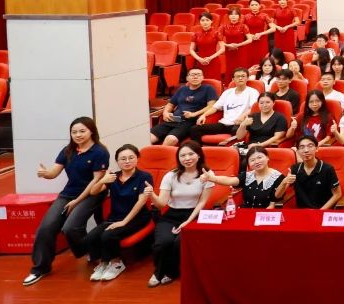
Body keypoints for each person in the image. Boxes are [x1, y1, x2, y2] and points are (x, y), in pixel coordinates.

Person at [23, 118, 110, 286]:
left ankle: (88, 249)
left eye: (82, 131)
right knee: (46, 228)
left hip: (92, 194)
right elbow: (54, 173)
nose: (78, 135)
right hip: (68, 194)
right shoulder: (68, 150)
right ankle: (40, 268)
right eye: (74, 132)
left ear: (91, 131)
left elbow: (95, 181)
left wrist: (76, 202)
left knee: (70, 228)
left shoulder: (100, 152)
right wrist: (45, 174)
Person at [81, 144, 153, 282]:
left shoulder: (144, 176)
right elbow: (93, 192)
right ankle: (104, 263)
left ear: (137, 158)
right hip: (115, 217)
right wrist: (102, 180)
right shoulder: (113, 177)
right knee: (91, 237)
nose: (127, 161)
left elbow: (141, 201)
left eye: (131, 158)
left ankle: (116, 263)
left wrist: (124, 222)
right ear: (117, 161)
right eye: (123, 159)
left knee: (108, 235)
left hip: (137, 217)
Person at [148, 141, 212, 287]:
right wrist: (152, 195)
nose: (187, 158)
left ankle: (172, 272)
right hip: (172, 215)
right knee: (163, 241)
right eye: (183, 155)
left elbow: (202, 202)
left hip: (194, 215)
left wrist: (188, 221)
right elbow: (161, 203)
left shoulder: (207, 175)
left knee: (179, 243)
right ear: (178, 158)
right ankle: (158, 272)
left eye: (191, 154)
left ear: (199, 155)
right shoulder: (171, 176)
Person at [150, 68, 220, 145]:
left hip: (189, 122)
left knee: (171, 139)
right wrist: (165, 113)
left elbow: (211, 106)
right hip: (173, 119)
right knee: (148, 137)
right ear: (187, 78)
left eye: (198, 75)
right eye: (192, 75)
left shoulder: (208, 89)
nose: (195, 77)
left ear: (203, 77)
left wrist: (194, 114)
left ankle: (160, 152)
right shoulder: (182, 89)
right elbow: (170, 104)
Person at [202, 145, 284, 209]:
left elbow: (273, 202)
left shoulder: (277, 177)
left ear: (267, 158)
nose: (257, 162)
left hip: (265, 216)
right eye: (252, 160)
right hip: (246, 213)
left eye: (259, 157)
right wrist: (212, 178)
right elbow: (230, 180)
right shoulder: (247, 176)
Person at [191, 67, 259, 143]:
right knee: (195, 129)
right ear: (233, 79)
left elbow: (253, 108)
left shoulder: (252, 92)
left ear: (247, 78)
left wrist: (242, 116)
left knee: (238, 132)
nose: (240, 78)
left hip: (239, 124)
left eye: (243, 76)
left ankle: (231, 146)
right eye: (237, 76)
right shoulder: (227, 92)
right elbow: (215, 107)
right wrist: (204, 115)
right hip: (224, 124)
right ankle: (198, 149)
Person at [275, 135, 341, 210]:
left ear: (317, 148)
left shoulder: (327, 169)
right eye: (302, 147)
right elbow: (277, 196)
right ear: (298, 151)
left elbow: (337, 194)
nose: (306, 150)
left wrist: (320, 212)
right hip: (302, 212)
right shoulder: (295, 169)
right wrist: (284, 182)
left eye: (310, 146)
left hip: (322, 211)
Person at [188, 12, 226, 82]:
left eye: (207, 20)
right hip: (200, 61)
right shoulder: (196, 34)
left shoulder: (216, 33)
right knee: (201, 82)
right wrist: (199, 59)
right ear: (199, 22)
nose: (205, 22)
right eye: (202, 20)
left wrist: (210, 58)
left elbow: (222, 48)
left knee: (214, 82)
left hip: (213, 61)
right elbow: (191, 50)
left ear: (211, 21)